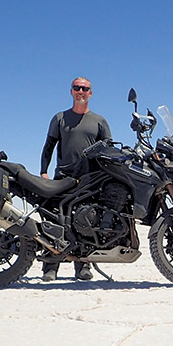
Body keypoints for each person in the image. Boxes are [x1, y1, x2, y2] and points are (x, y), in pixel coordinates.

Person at [39, 77, 113, 281]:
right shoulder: (60, 118)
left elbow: (109, 149)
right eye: (77, 88)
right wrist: (44, 171)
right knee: (56, 220)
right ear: (71, 91)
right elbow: (49, 146)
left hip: (90, 180)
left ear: (91, 93)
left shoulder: (99, 121)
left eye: (85, 88)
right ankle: (50, 267)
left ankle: (83, 267)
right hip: (63, 177)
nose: (81, 91)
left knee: (86, 221)